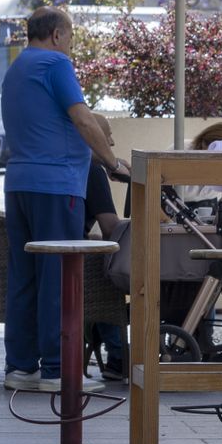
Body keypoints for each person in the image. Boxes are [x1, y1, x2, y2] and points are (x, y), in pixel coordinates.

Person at [2, 6, 126, 393]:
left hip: (19, 183)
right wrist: (110, 161)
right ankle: (58, 369)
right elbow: (83, 118)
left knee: (24, 277)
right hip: (56, 184)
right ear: (57, 34)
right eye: (69, 37)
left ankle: (21, 367)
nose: (70, 46)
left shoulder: (17, 69)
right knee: (59, 278)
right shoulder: (55, 63)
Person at [83, 113, 127, 381]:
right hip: (79, 270)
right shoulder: (91, 170)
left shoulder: (72, 166)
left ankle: (103, 340)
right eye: (106, 134)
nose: (111, 142)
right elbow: (111, 228)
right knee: (110, 276)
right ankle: (118, 353)